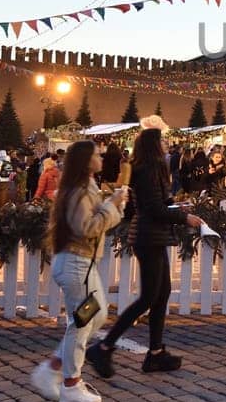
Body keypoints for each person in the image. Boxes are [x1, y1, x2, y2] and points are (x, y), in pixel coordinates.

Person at [85, 128, 201, 379]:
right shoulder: (147, 170)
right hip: (148, 236)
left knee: (162, 293)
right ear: (153, 144)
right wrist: (184, 216)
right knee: (148, 297)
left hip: (155, 236)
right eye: (162, 140)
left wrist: (177, 207)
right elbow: (153, 208)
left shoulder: (153, 168)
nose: (165, 143)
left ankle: (156, 353)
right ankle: (103, 347)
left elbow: (159, 204)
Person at [29, 141, 127, 402]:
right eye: (96, 154)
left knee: (96, 314)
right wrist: (111, 206)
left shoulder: (87, 189)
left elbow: (99, 222)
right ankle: (71, 384)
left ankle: (54, 367)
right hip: (76, 264)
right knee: (82, 321)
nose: (101, 157)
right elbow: (87, 228)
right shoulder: (79, 192)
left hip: (83, 263)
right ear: (86, 161)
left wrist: (113, 206)